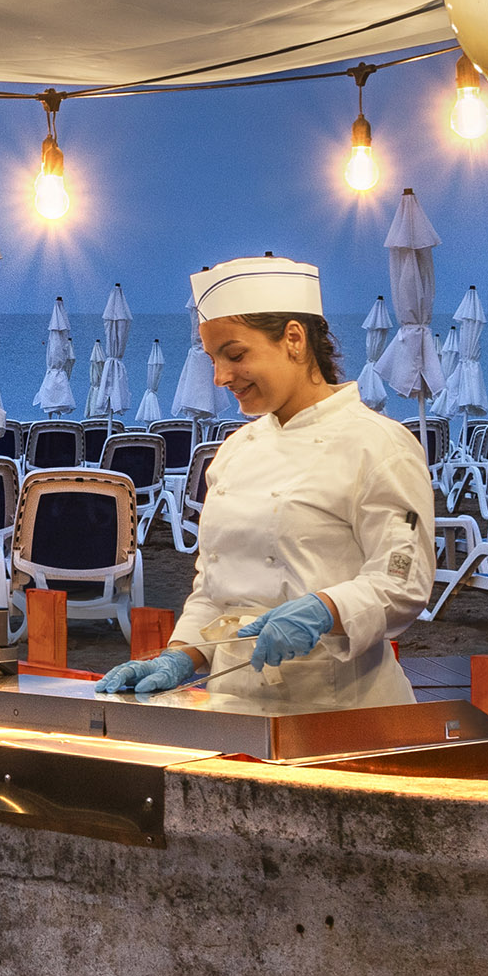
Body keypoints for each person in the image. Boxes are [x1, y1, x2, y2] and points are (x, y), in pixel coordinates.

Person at [97, 254, 433, 713]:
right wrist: (181, 654)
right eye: (213, 359)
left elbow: (404, 579)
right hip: (233, 705)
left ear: (294, 339)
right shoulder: (235, 450)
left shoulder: (379, 445)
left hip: (341, 709)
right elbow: (214, 589)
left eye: (235, 355)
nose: (220, 377)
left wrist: (326, 609)